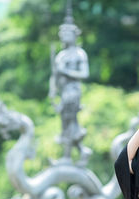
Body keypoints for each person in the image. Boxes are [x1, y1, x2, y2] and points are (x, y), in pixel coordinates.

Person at [49, 12, 91, 164]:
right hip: (63, 92)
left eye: (67, 33)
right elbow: (54, 75)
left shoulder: (79, 54)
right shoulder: (60, 55)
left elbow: (84, 73)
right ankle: (82, 151)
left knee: (68, 122)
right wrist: (52, 91)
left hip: (73, 92)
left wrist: (65, 71)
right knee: (69, 122)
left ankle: (67, 157)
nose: (64, 36)